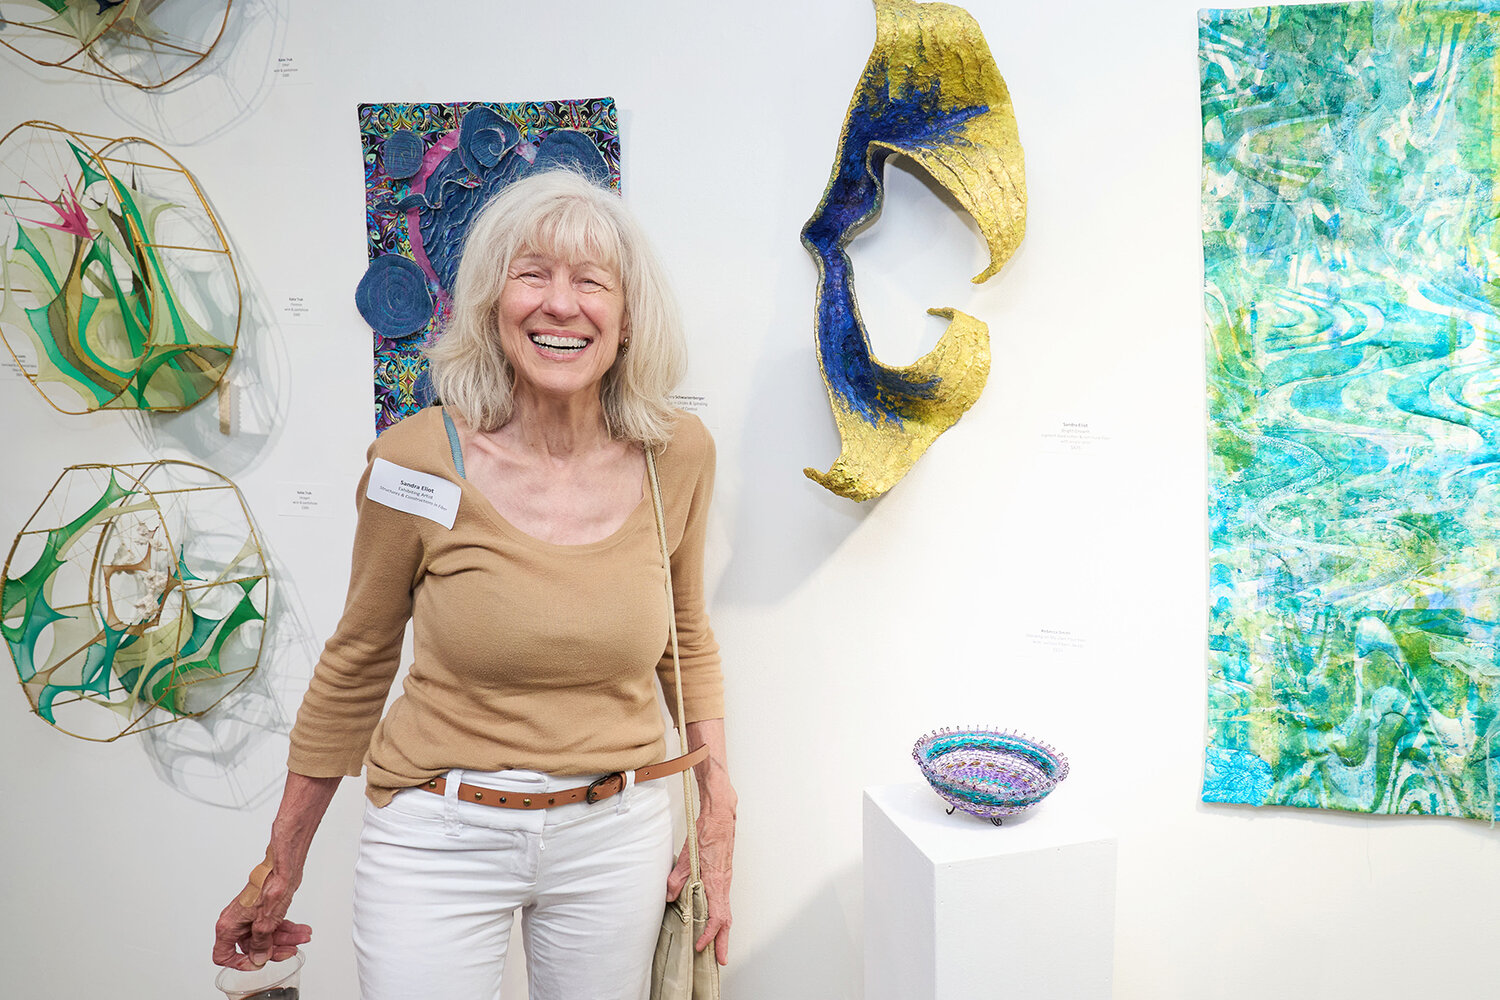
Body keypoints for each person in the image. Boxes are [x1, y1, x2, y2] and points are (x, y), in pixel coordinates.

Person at [212, 169, 736, 1000]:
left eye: (591, 282)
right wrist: (279, 864)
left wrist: (717, 810)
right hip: (437, 834)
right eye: (532, 276)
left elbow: (687, 634)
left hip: (618, 834)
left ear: (629, 317)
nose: (560, 305)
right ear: (492, 306)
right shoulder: (412, 461)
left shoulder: (678, 454)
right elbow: (357, 663)